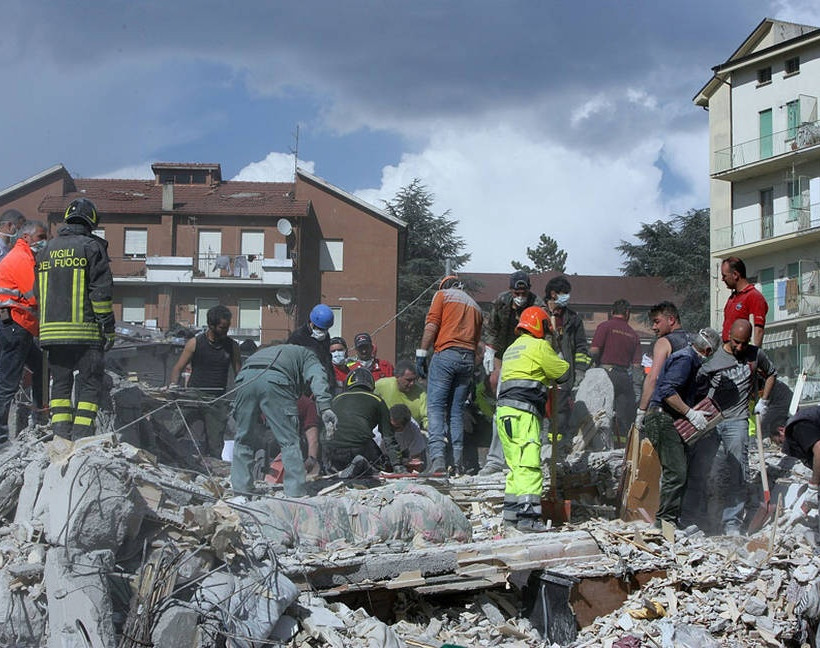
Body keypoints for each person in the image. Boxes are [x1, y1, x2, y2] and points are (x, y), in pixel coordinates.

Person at [683, 319, 777, 535]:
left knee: (738, 472)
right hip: (710, 420)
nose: (740, 348)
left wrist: (764, 400)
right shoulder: (713, 355)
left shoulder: (755, 354)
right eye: (736, 342)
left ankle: (731, 523)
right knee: (700, 468)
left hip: (738, 420)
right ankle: (693, 518)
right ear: (728, 337)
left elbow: (771, 373)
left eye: (744, 343)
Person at [35, 198, 115, 441]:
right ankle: (81, 436)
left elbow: (38, 292)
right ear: (92, 222)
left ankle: (60, 435)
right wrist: (108, 329)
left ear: (67, 219)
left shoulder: (45, 250)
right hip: (86, 333)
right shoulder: (92, 247)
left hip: (52, 334)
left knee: (60, 384)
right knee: (90, 383)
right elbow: (101, 293)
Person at [496, 306, 570, 532]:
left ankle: (511, 516)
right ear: (540, 326)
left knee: (515, 466)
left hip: (504, 414)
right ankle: (528, 518)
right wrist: (556, 346)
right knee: (529, 465)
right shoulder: (539, 346)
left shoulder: (512, 348)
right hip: (523, 413)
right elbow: (564, 373)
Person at [230, 343, 337, 497]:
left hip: (244, 379)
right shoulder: (309, 356)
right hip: (275, 380)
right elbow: (318, 377)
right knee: (289, 441)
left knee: (243, 439)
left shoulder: (274, 351)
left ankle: (241, 491)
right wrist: (325, 406)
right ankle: (295, 492)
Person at [643, 327, 721, 529]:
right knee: (676, 472)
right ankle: (664, 523)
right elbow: (668, 390)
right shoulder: (686, 360)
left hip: (664, 418)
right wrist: (690, 413)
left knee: (679, 471)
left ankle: (671, 520)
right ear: (708, 351)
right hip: (662, 418)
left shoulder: (687, 358)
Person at [478, 271, 544, 476]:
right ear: (511, 290)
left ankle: (523, 457)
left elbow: (545, 332)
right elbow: (491, 328)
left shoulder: (537, 305)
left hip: (528, 356)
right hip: (504, 352)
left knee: (527, 410)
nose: (520, 295)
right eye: (517, 291)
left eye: (524, 292)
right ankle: (496, 460)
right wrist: (489, 348)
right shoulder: (501, 301)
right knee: (502, 404)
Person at [416, 275, 483, 474]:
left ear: (444, 285)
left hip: (446, 354)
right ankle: (457, 462)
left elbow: (432, 325)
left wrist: (421, 353)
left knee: (436, 408)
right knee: (456, 412)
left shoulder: (442, 295)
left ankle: (437, 459)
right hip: (467, 359)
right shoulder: (475, 307)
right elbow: (477, 342)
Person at [168, 304, 241, 458]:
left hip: (217, 399)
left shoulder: (232, 346)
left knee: (215, 443)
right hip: (193, 395)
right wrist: (173, 387)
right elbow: (177, 368)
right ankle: (165, 455)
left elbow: (239, 373)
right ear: (211, 325)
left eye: (227, 327)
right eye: (222, 328)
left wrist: (241, 393)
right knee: (173, 430)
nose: (225, 331)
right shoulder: (195, 343)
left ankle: (213, 470)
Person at [0, 220, 48, 444]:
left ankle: (40, 416)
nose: (43, 241)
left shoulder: (21, 255)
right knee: (8, 382)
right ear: (27, 237)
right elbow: (35, 297)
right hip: (16, 325)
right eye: (40, 237)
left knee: (39, 367)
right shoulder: (21, 258)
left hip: (20, 326)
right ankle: (1, 435)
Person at [543, 275, 592, 453]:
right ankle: (543, 447)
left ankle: (558, 448)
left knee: (561, 412)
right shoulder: (539, 312)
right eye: (564, 294)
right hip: (542, 371)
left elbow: (581, 347)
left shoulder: (573, 318)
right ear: (553, 294)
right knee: (542, 409)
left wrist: (579, 371)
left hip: (564, 374)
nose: (567, 298)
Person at [325, 367, 400, 475]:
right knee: (380, 467)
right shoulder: (377, 400)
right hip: (359, 448)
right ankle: (363, 466)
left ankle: (338, 471)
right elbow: (388, 438)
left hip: (334, 451)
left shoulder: (336, 399)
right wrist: (398, 465)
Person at [590, 299, 642, 446]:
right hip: (624, 377)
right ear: (627, 314)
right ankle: (622, 449)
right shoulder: (634, 335)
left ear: (612, 312)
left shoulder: (604, 326)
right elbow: (637, 366)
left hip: (605, 374)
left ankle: (600, 446)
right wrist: (637, 389)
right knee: (623, 418)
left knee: (600, 413)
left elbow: (594, 351)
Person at [636, 301, 690, 430]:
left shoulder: (664, 342)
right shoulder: (692, 340)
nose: (653, 327)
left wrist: (642, 411)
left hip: (665, 410)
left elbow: (652, 378)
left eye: (657, 321)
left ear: (671, 320)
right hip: (689, 410)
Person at [776, 406, 820, 533]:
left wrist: (814, 486)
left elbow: (819, 449)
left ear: (781, 430)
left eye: (779, 442)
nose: (782, 448)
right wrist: (803, 509)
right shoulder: (810, 428)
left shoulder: (797, 427)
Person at [721, 256, 768, 347]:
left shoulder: (754, 297)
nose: (723, 279)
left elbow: (758, 331)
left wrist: (753, 358)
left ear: (735, 274)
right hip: (728, 352)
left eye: (724, 276)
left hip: (741, 353)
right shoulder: (732, 298)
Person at [287, 303, 335, 388]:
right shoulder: (298, 337)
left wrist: (332, 382)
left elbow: (327, 360)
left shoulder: (325, 337)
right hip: (304, 386)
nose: (322, 332)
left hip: (322, 382)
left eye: (325, 329)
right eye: (320, 329)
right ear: (312, 323)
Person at [374, 359, 428, 430]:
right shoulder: (382, 385)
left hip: (410, 432)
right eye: (408, 380)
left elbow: (427, 418)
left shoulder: (421, 393)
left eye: (414, 380)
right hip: (385, 430)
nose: (412, 383)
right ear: (397, 377)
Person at [388, 403, 427, 470]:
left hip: (404, 454)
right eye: (390, 426)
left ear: (406, 425)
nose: (392, 429)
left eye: (396, 427)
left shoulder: (413, 429)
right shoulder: (378, 429)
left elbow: (416, 458)